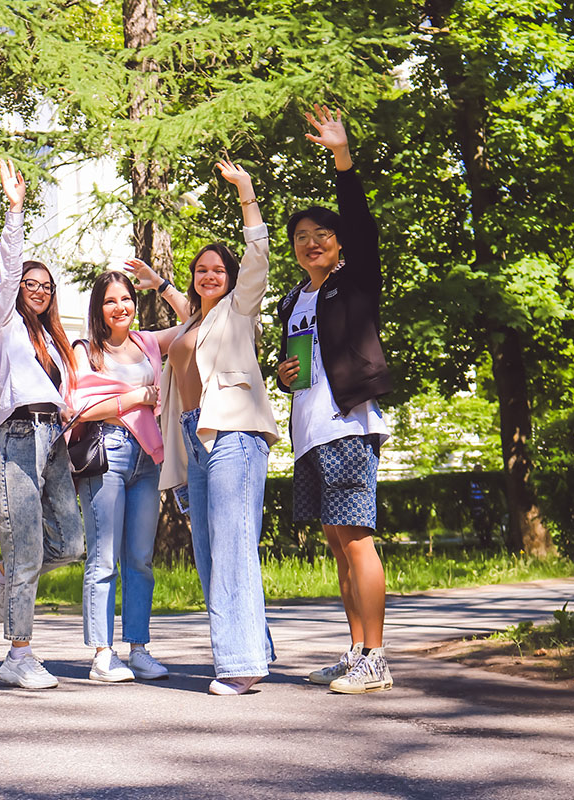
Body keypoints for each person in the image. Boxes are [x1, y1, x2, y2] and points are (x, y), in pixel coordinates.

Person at [275, 105, 394, 694]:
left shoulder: (356, 278)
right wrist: (283, 371)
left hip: (348, 424)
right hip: (309, 431)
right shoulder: (294, 299)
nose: (310, 243)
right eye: (300, 237)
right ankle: (355, 651)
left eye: (321, 235)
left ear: (339, 244)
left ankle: (377, 655)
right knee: (336, 544)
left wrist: (342, 159)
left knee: (357, 538)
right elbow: (297, 368)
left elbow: (361, 220)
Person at [159, 160, 278, 695]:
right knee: (210, 552)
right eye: (201, 269)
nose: (210, 275)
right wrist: (158, 285)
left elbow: (258, 256)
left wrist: (246, 192)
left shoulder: (239, 308)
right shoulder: (192, 323)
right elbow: (179, 334)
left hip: (233, 434)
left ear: (231, 280)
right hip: (194, 438)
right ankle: (254, 645)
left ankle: (241, 664)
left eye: (219, 270)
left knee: (231, 545)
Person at [0, 158, 85, 689]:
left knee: (69, 544)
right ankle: (18, 654)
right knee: (28, 549)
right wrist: (15, 209)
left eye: (46, 285)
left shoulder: (55, 342)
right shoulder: (3, 321)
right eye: (30, 283)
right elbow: (9, 266)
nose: (37, 288)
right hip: (16, 435)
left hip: (53, 440)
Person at [68, 265, 190, 682]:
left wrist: (161, 284)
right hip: (107, 452)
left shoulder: (149, 343)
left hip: (146, 456)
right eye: (110, 301)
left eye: (125, 299)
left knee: (139, 559)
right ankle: (103, 653)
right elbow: (80, 410)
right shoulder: (85, 350)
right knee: (103, 558)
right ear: (98, 308)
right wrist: (135, 397)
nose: (120, 307)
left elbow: (198, 317)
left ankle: (138, 648)